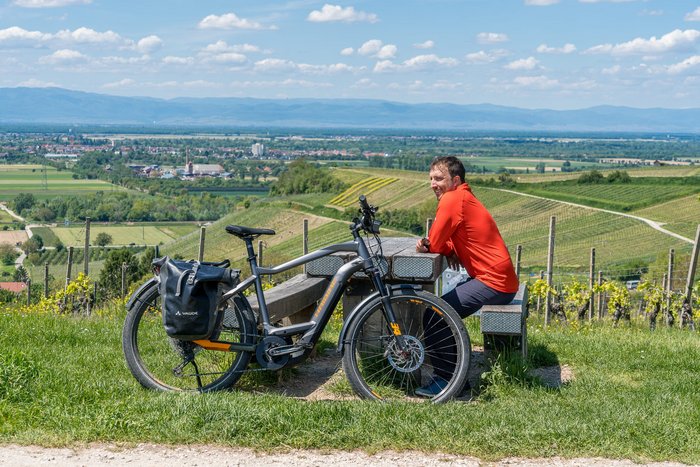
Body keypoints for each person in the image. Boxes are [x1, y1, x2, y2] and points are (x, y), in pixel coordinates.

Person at [414, 156, 519, 397]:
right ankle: (453, 377)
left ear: (456, 180)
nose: (433, 184)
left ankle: (451, 383)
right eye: (430, 179)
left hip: (494, 282)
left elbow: (436, 242)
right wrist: (446, 248)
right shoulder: (463, 197)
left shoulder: (453, 199)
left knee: (435, 314)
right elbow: (448, 241)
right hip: (499, 280)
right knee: (439, 311)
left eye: (439, 178)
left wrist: (426, 245)